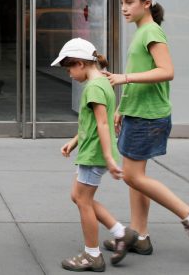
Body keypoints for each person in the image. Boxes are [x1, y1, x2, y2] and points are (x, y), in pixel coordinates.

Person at [105, 0, 189, 257]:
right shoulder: (142, 31)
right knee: (134, 178)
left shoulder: (151, 32)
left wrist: (124, 78)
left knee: (133, 176)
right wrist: (122, 107)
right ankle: (140, 236)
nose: (124, 8)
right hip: (137, 113)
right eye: (122, 3)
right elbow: (141, 73)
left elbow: (166, 71)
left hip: (148, 117)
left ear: (147, 3)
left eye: (130, 2)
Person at [53, 38, 135, 271]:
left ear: (80, 63)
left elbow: (103, 124)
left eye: (69, 68)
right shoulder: (102, 83)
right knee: (78, 196)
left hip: (94, 153)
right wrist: (74, 141)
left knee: (83, 201)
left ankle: (92, 255)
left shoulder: (94, 88)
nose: (69, 74)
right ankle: (121, 233)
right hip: (92, 150)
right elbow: (92, 123)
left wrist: (108, 157)